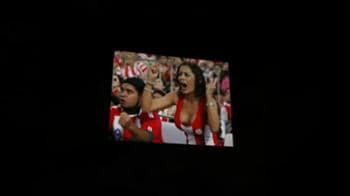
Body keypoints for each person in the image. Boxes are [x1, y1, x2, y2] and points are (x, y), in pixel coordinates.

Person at [141, 62, 222, 146]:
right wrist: (150, 81)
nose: (181, 77)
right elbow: (147, 108)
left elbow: (215, 128)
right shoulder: (176, 96)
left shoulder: (207, 99)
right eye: (180, 74)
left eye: (186, 75)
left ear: (198, 80)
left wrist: (209, 96)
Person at [109, 77, 163, 143]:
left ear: (141, 96)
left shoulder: (150, 116)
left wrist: (131, 126)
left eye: (129, 91)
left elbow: (148, 138)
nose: (123, 94)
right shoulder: (113, 110)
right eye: (122, 90)